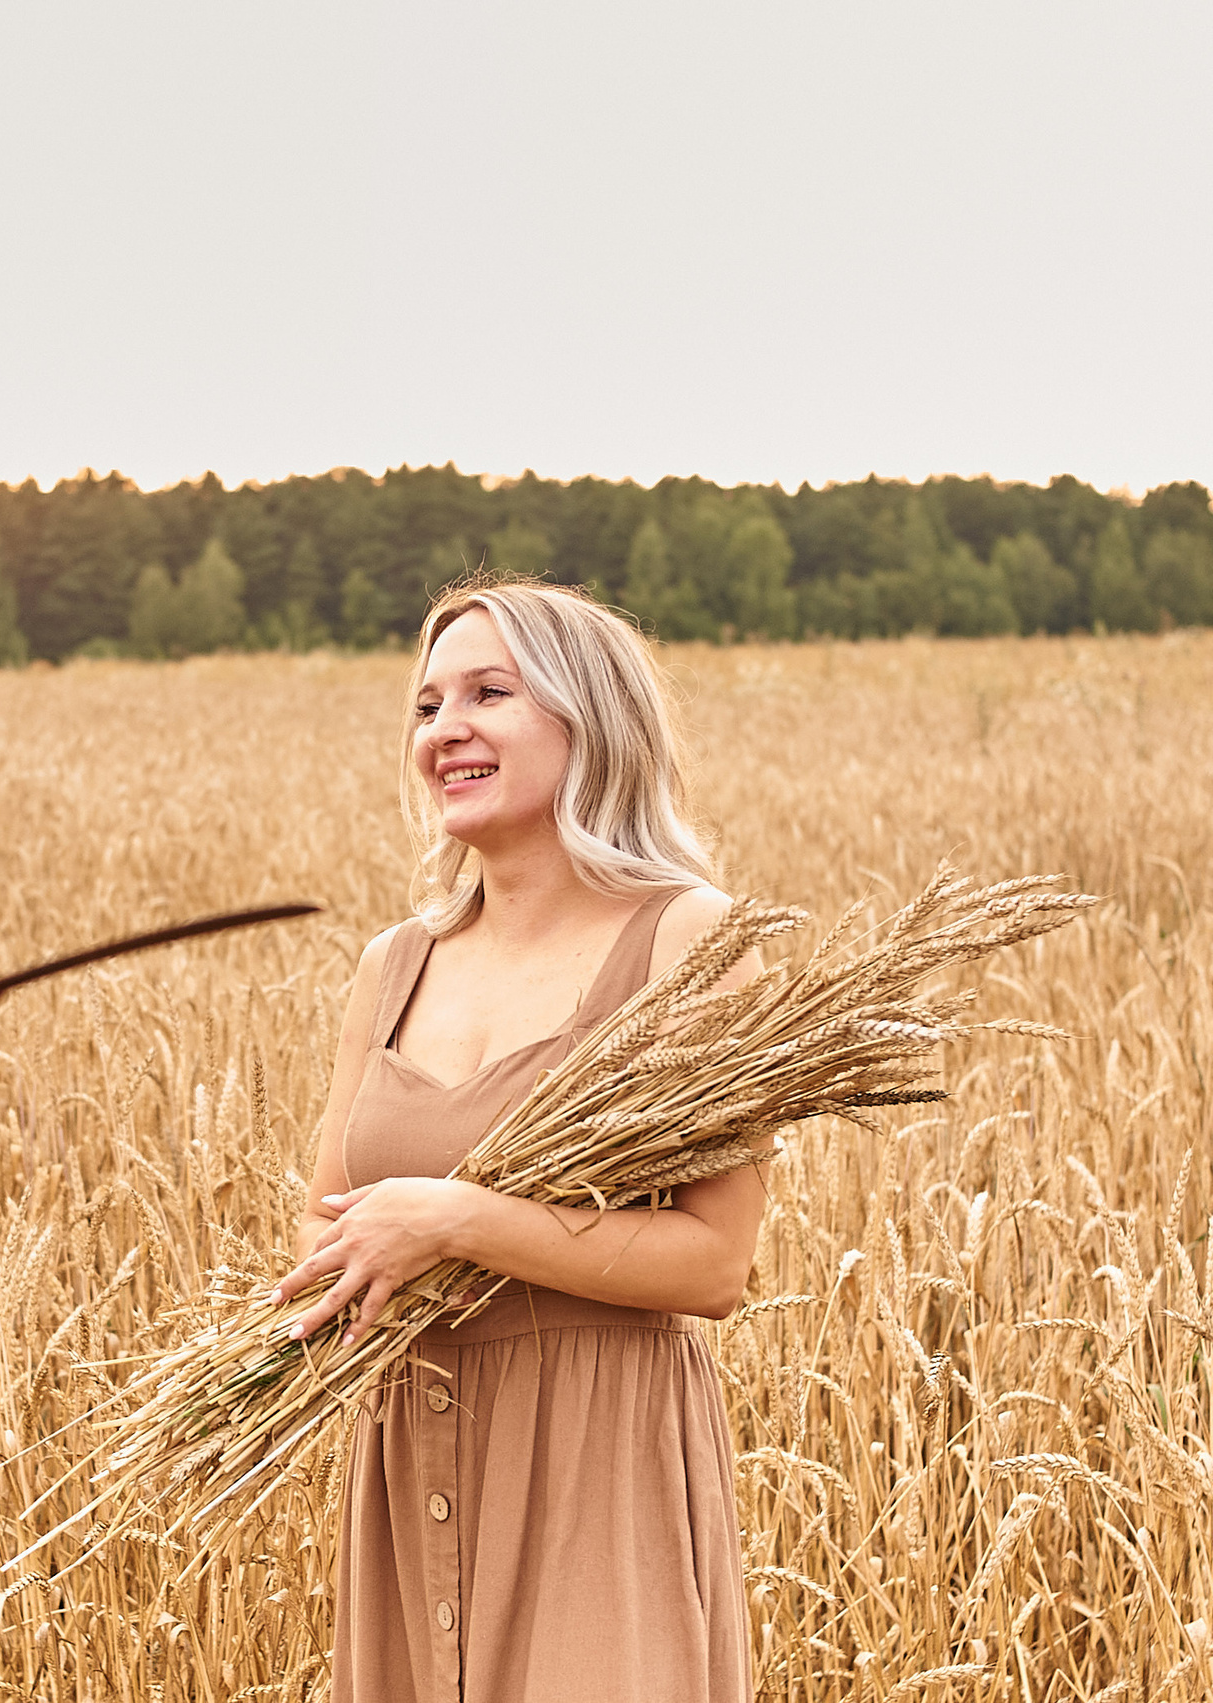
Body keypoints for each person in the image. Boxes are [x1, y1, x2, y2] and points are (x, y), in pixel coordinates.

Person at [271, 580, 757, 1702]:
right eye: (427, 704)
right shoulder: (394, 962)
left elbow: (714, 1263)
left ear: (589, 716)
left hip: (598, 1459)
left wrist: (455, 1219)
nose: (446, 729)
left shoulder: (689, 937)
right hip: (408, 1440)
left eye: (489, 692)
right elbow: (323, 1219)